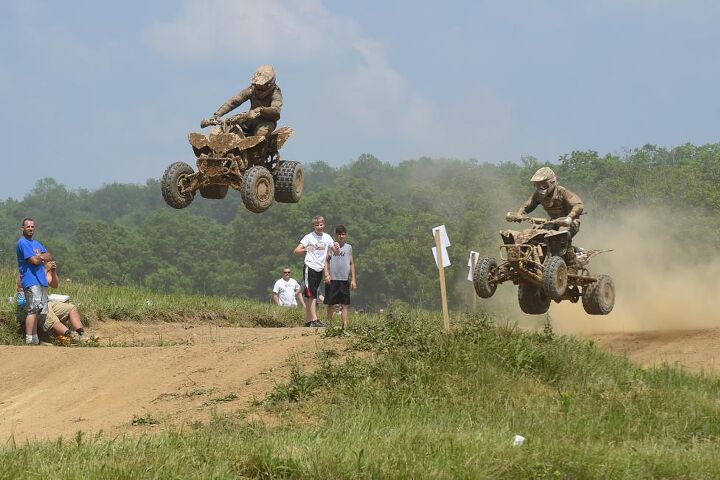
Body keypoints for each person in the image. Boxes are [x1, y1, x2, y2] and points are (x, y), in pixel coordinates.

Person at [507, 166, 584, 266]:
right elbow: (527, 205)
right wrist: (518, 214)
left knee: (563, 235)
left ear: (552, 181)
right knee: (535, 234)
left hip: (569, 222)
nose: (540, 186)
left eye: (543, 183)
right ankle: (534, 260)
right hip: (553, 221)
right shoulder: (538, 195)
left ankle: (572, 265)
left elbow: (579, 204)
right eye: (537, 184)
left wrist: (569, 217)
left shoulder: (562, 192)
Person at [210, 65, 282, 137]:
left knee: (261, 133)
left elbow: (276, 110)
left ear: (269, 84)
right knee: (228, 126)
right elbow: (234, 101)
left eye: (261, 84)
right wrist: (218, 114)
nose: (258, 86)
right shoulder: (252, 89)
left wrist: (261, 110)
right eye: (257, 84)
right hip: (250, 119)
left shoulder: (275, 93)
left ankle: (258, 146)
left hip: (266, 122)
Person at [293, 215, 338, 327]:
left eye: (321, 224)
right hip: (310, 266)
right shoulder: (309, 237)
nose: (319, 227)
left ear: (324, 224)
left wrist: (336, 246)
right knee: (311, 295)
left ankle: (309, 321)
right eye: (316, 225)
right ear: (313, 226)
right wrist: (305, 249)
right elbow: (296, 251)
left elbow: (335, 252)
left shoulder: (327, 237)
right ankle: (314, 320)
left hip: (320, 268)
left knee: (312, 295)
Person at [16, 218, 51, 345]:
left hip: (41, 280)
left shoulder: (36, 243)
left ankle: (35, 338)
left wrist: (40, 256)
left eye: (32, 226)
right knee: (32, 309)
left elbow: (49, 256)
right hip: (30, 280)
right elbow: (34, 261)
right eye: (28, 226)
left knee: (38, 310)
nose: (30, 228)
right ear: (23, 228)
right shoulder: (22, 242)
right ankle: (29, 338)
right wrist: (41, 257)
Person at [323, 225, 356, 329]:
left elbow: (351, 263)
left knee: (345, 304)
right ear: (336, 235)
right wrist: (327, 274)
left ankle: (345, 325)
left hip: (344, 279)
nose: (341, 236)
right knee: (330, 303)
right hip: (333, 279)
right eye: (339, 234)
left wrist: (353, 279)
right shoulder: (331, 247)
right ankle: (329, 324)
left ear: (345, 235)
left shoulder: (349, 247)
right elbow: (325, 261)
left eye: (343, 234)